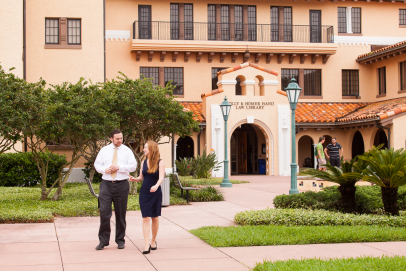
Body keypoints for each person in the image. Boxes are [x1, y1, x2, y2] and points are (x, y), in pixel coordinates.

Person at [94, 129, 137, 250]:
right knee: (104, 213)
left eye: (121, 138)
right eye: (117, 138)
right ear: (111, 138)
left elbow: (133, 166)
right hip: (106, 184)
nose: (120, 140)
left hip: (122, 185)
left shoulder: (127, 151)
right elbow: (97, 165)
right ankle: (103, 241)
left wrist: (119, 167)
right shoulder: (104, 151)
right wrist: (104, 170)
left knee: (121, 214)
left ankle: (120, 240)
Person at [129, 141, 165, 254]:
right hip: (145, 191)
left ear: (152, 149)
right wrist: (135, 179)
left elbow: (161, 178)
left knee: (154, 217)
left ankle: (153, 241)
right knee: (145, 217)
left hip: (155, 192)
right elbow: (141, 177)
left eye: (145, 147)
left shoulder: (160, 162)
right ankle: (146, 244)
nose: (143, 149)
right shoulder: (143, 162)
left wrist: (156, 185)